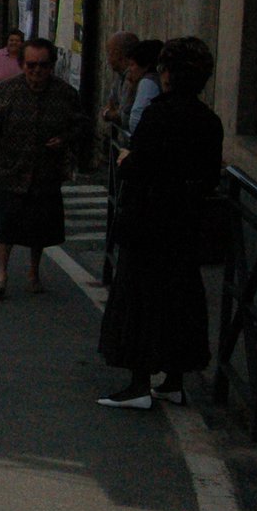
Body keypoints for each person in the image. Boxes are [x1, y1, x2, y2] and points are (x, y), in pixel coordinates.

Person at [96, 37, 223, 408]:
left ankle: (138, 385)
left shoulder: (159, 114)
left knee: (139, 300)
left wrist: (125, 161)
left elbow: (142, 165)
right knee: (179, 300)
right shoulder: (208, 121)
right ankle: (172, 380)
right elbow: (209, 174)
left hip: (149, 223)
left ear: (167, 74)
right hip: (185, 225)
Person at [0, 37, 84, 298]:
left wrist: (64, 139)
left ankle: (34, 272)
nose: (37, 71)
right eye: (31, 65)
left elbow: (80, 126)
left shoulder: (65, 94)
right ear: (22, 65)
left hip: (46, 172)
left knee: (40, 228)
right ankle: (2, 273)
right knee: (6, 225)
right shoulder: (5, 92)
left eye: (43, 66)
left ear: (51, 66)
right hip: (10, 168)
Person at [100, 31, 140, 127]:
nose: (108, 58)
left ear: (118, 54)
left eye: (109, 52)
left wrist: (108, 113)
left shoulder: (132, 77)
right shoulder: (119, 76)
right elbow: (110, 103)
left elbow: (123, 117)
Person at [125, 39, 164, 134]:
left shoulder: (148, 82)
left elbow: (134, 122)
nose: (129, 69)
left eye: (132, 65)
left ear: (145, 66)